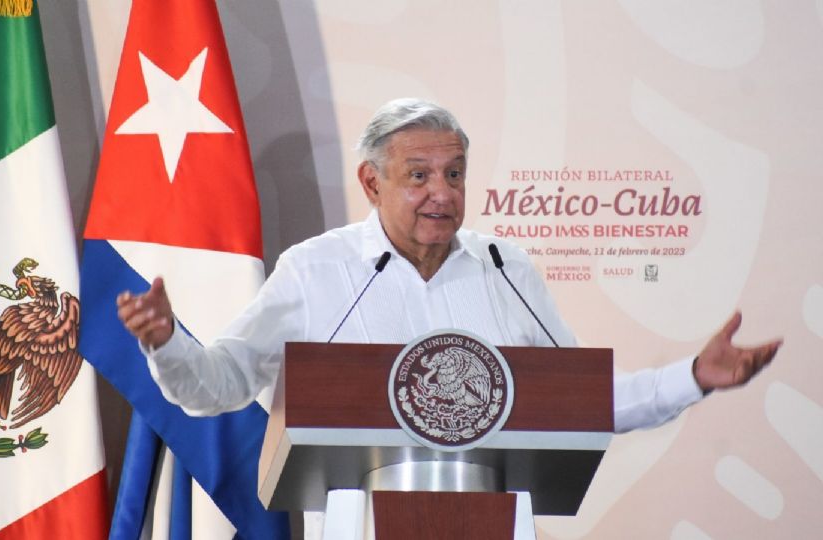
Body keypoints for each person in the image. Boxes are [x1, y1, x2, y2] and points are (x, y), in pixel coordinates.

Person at [117, 98, 782, 536]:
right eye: (420, 176)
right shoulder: (317, 270)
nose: (443, 193)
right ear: (372, 183)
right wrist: (168, 341)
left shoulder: (505, 271)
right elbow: (220, 383)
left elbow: (583, 401)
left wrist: (692, 376)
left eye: (456, 174)